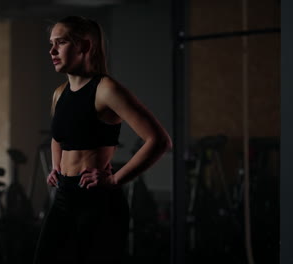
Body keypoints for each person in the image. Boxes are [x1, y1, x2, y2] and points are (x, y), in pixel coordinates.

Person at [33, 16, 172, 264]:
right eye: (51, 43)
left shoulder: (106, 90)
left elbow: (159, 141)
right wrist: (57, 166)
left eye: (61, 42)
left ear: (85, 46)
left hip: (97, 202)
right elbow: (58, 137)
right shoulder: (59, 94)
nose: (52, 50)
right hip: (64, 197)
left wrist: (115, 179)